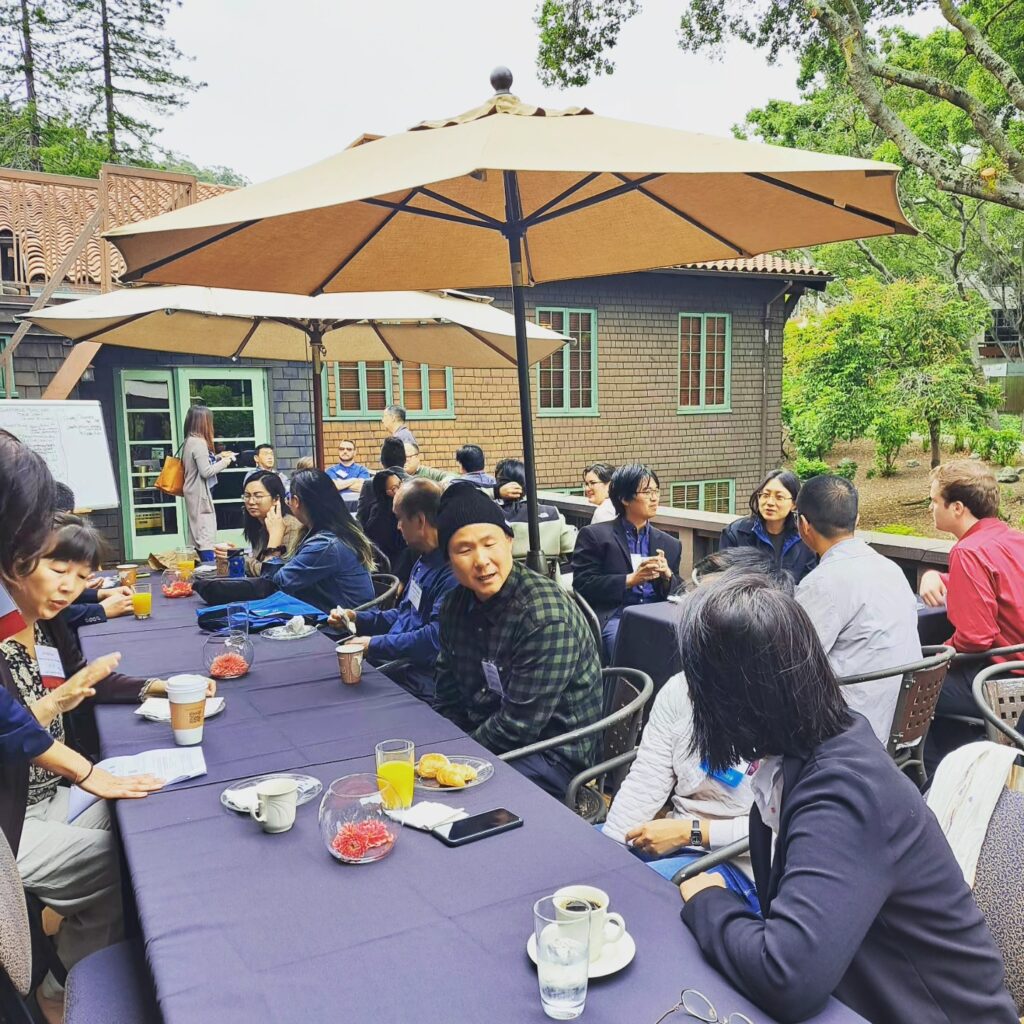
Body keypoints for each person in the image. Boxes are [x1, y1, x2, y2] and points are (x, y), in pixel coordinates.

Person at [676, 573, 1016, 1024]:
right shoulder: (817, 743)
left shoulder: (845, 792)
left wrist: (710, 901)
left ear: (729, 698)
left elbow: (786, 978)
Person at [3, 516, 201, 1021]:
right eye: (58, 569)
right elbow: (14, 730)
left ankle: (79, 947)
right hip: (11, 820)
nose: (69, 586)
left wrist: (155, 685)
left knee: (143, 810)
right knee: (125, 864)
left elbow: (83, 683)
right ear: (17, 563)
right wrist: (56, 708)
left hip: (49, 793)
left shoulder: (46, 621)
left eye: (82, 575)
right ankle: (64, 985)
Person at [602, 547, 787, 903]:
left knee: (631, 897)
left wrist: (691, 832)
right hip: (676, 839)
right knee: (589, 870)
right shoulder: (681, 689)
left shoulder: (783, 704)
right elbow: (646, 781)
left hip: (748, 864)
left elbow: (781, 832)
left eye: (712, 610)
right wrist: (609, 850)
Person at [433, 485, 604, 798]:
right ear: (448, 559)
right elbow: (447, 695)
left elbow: (519, 726)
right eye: (464, 550)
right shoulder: (454, 606)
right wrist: (446, 748)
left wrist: (458, 761)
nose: (481, 560)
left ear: (509, 542)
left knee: (452, 797)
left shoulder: (543, 616)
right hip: (486, 736)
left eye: (490, 544)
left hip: (551, 755)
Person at [794, 475, 921, 744]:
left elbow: (794, 661)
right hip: (904, 722)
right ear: (857, 519)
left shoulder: (823, 582)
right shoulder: (891, 568)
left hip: (851, 729)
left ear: (803, 525)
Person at [919, 460, 1024, 758]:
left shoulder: (968, 551)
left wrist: (938, 656)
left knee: (909, 690)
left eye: (934, 500)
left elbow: (976, 637)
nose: (930, 508)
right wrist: (937, 576)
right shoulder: (1013, 538)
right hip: (1014, 669)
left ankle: (935, 774)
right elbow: (1000, 583)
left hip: (1002, 679)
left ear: (957, 508)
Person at [328, 479, 459, 699]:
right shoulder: (423, 559)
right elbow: (404, 615)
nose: (398, 527)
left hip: (418, 678)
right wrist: (357, 619)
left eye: (399, 519)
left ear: (419, 521)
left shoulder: (451, 573)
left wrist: (374, 644)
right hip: (395, 660)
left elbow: (433, 639)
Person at [572, 463, 682, 659]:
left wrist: (668, 576)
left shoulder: (670, 543)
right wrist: (630, 580)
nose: (655, 498)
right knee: (630, 646)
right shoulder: (595, 536)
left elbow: (679, 592)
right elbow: (583, 584)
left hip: (657, 615)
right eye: (647, 492)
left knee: (687, 642)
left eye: (656, 491)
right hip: (616, 616)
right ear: (624, 498)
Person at [260, 469, 375, 612]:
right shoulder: (334, 531)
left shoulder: (325, 545)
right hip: (335, 615)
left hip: (345, 623)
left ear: (296, 501)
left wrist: (274, 539)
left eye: (288, 498)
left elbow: (273, 588)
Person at [718, 469, 816, 582]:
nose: (770, 502)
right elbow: (723, 579)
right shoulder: (735, 533)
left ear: (794, 504)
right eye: (765, 495)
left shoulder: (804, 538)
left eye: (779, 497)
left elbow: (809, 583)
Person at [217, 471, 306, 577]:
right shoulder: (258, 522)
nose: (251, 502)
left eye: (258, 496)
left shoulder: (290, 526)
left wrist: (241, 559)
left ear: (276, 499)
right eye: (247, 496)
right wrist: (227, 557)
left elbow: (272, 573)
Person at [181, 405, 236, 559]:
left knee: (196, 533)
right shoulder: (199, 442)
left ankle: (198, 564)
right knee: (205, 534)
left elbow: (200, 463)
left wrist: (218, 456)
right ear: (203, 422)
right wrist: (226, 461)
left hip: (192, 491)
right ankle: (209, 565)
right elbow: (206, 471)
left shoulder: (189, 440)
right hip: (199, 494)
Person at [494, 458, 576, 560]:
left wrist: (494, 492)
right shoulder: (553, 513)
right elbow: (570, 547)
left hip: (510, 570)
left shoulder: (492, 516)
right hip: (548, 570)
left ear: (500, 485)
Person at [362, 467, 410, 578]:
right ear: (386, 493)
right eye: (395, 488)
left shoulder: (377, 508)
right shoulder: (383, 517)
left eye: (401, 483)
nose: (402, 489)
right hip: (395, 569)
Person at [357, 437, 407, 529]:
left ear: (382, 461)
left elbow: (361, 520)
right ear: (405, 459)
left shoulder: (369, 484)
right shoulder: (419, 484)